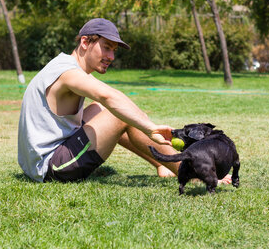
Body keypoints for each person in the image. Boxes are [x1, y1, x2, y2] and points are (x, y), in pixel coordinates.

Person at [17, 18, 179, 183]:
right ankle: (190, 171)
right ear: (85, 42)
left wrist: (142, 119)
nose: (111, 56)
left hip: (41, 160)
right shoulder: (67, 72)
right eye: (106, 48)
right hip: (50, 166)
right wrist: (150, 128)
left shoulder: (66, 64)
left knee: (103, 109)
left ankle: (162, 164)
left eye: (114, 50)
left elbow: (110, 99)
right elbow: (108, 96)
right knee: (116, 114)